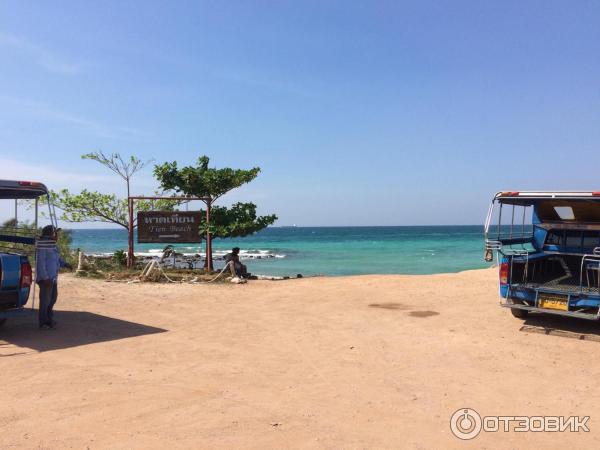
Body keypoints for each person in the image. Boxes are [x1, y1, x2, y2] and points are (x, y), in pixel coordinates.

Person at [36, 225, 70, 329]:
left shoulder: (53, 245)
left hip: (53, 278)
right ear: (50, 234)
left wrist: (65, 264)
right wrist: (45, 278)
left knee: (52, 299)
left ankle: (49, 319)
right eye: (55, 233)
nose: (57, 235)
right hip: (46, 279)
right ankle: (44, 322)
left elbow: (57, 259)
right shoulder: (43, 245)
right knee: (45, 301)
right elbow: (40, 263)